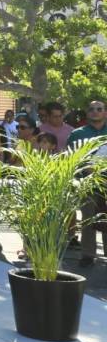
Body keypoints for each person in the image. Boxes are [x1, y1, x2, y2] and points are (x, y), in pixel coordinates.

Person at [69, 100, 107, 267]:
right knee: (88, 219)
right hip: (86, 182)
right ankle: (87, 254)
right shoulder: (77, 134)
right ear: (87, 113)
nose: (95, 112)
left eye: (99, 109)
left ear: (105, 112)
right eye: (91, 109)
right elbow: (69, 160)